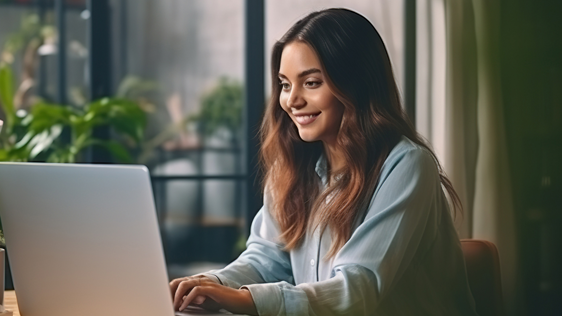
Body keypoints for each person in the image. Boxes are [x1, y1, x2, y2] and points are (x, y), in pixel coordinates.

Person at [169, 8, 479, 316]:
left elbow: (358, 288)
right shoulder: (292, 167)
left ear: (356, 84)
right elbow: (266, 261)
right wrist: (209, 284)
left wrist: (246, 300)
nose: (292, 100)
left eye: (312, 83)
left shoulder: (406, 165)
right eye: (285, 84)